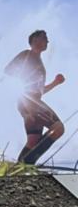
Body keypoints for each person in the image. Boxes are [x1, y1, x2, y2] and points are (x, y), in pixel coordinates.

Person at [5, 30, 66, 165]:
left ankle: (18, 169)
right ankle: (26, 165)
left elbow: (40, 90)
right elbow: (8, 70)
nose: (47, 41)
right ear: (34, 40)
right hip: (29, 101)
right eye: (44, 38)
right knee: (58, 129)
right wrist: (23, 76)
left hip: (30, 101)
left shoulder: (40, 64)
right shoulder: (27, 54)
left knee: (33, 141)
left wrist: (55, 83)